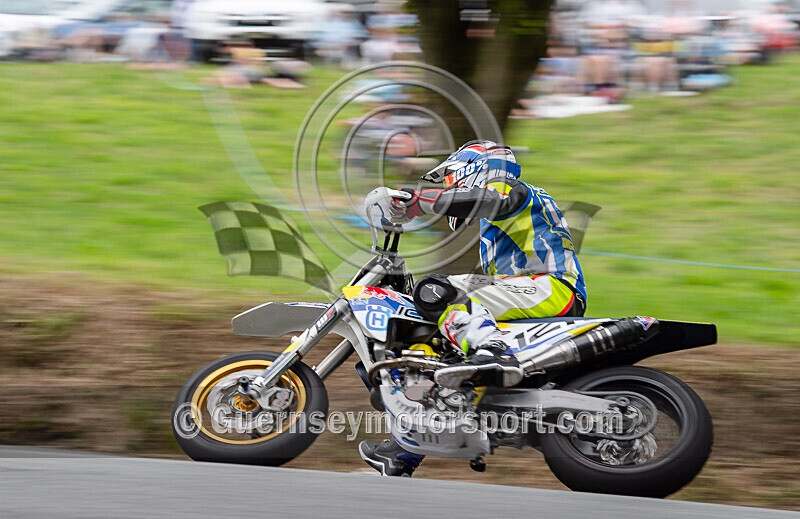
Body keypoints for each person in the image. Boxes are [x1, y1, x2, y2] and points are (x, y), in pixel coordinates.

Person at [359, 140, 587, 476]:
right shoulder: (494, 226)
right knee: (438, 338)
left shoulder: (512, 191)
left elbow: (490, 199)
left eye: (451, 179)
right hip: (530, 291)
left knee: (438, 289)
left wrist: (420, 199)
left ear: (473, 169)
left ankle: (494, 352)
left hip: (550, 287)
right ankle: (407, 446)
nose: (450, 187)